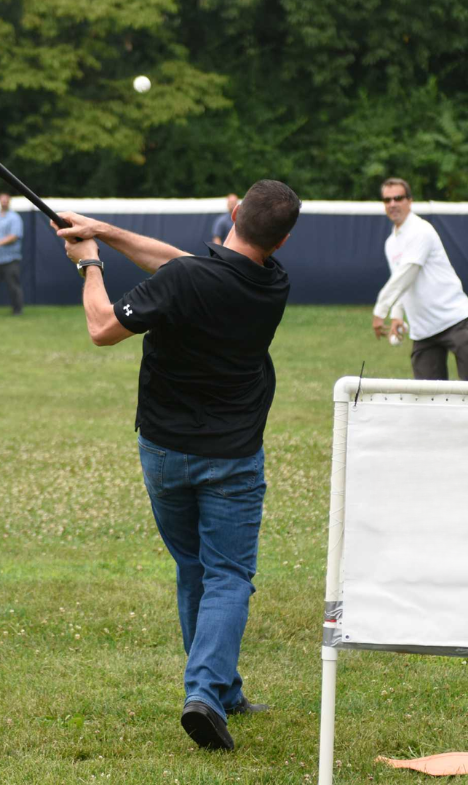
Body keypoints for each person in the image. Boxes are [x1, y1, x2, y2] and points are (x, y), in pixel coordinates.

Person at [53, 179, 299, 752]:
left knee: (197, 569)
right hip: (233, 458)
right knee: (227, 575)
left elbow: (101, 328)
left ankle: (214, 692)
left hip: (165, 453)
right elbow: (178, 263)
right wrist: (103, 231)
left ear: (233, 212)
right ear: (282, 240)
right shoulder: (271, 282)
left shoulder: (190, 280)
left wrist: (89, 265)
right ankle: (212, 692)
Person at [371, 177, 468, 382]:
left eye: (398, 198)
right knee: (427, 394)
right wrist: (397, 315)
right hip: (423, 330)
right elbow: (401, 282)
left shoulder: (421, 230)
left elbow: (406, 274)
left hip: (453, 320)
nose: (392, 204)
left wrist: (380, 310)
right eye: (387, 200)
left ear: (409, 201)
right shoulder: (390, 243)